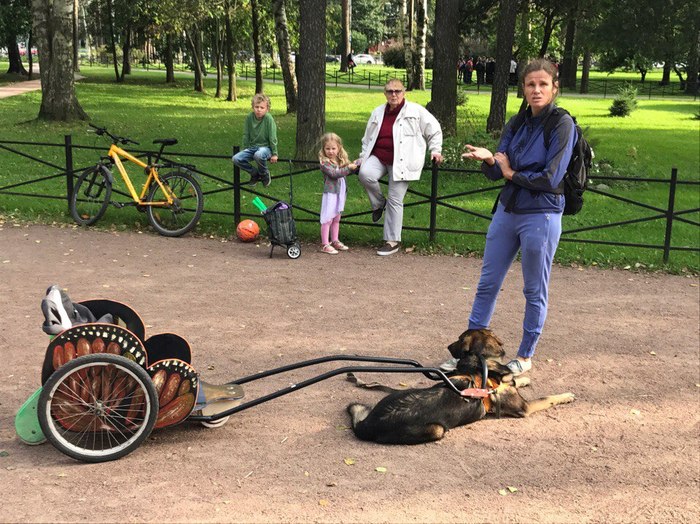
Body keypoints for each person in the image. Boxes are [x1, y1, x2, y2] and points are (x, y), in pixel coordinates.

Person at [440, 58, 576, 376]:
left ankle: (525, 355)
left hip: (541, 215)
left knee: (534, 289)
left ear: (555, 88)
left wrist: (509, 171)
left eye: (543, 84)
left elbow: (551, 178)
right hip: (507, 211)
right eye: (531, 84)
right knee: (487, 284)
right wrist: (489, 160)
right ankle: (470, 353)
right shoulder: (517, 122)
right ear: (523, 88)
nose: (537, 89)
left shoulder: (561, 124)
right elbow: (495, 171)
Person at [358, 78, 443, 256]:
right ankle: (379, 203)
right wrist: (362, 158)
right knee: (365, 174)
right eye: (390, 91)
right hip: (380, 157)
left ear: (404, 93)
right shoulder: (377, 112)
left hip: (403, 161)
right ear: (385, 94)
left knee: (396, 200)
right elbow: (367, 139)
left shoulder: (416, 111)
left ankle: (392, 241)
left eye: (397, 91)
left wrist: (435, 150)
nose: (394, 94)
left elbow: (434, 129)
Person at [318, 132, 357, 254]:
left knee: (336, 218)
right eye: (327, 148)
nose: (330, 151)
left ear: (339, 148)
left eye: (333, 148)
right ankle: (325, 243)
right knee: (327, 218)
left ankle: (335, 239)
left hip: (340, 192)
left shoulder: (340, 161)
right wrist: (348, 168)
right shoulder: (325, 163)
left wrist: (355, 164)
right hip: (331, 193)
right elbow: (335, 174)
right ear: (323, 149)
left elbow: (346, 170)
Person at [232, 93, 278, 187]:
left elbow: (272, 136)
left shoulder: (268, 119)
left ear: (267, 109)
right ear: (253, 107)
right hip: (253, 147)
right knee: (236, 159)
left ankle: (264, 174)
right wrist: (245, 148)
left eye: (262, 107)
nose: (259, 110)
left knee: (259, 154)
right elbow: (246, 134)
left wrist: (274, 153)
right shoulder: (249, 117)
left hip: (266, 148)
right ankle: (254, 173)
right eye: (257, 107)